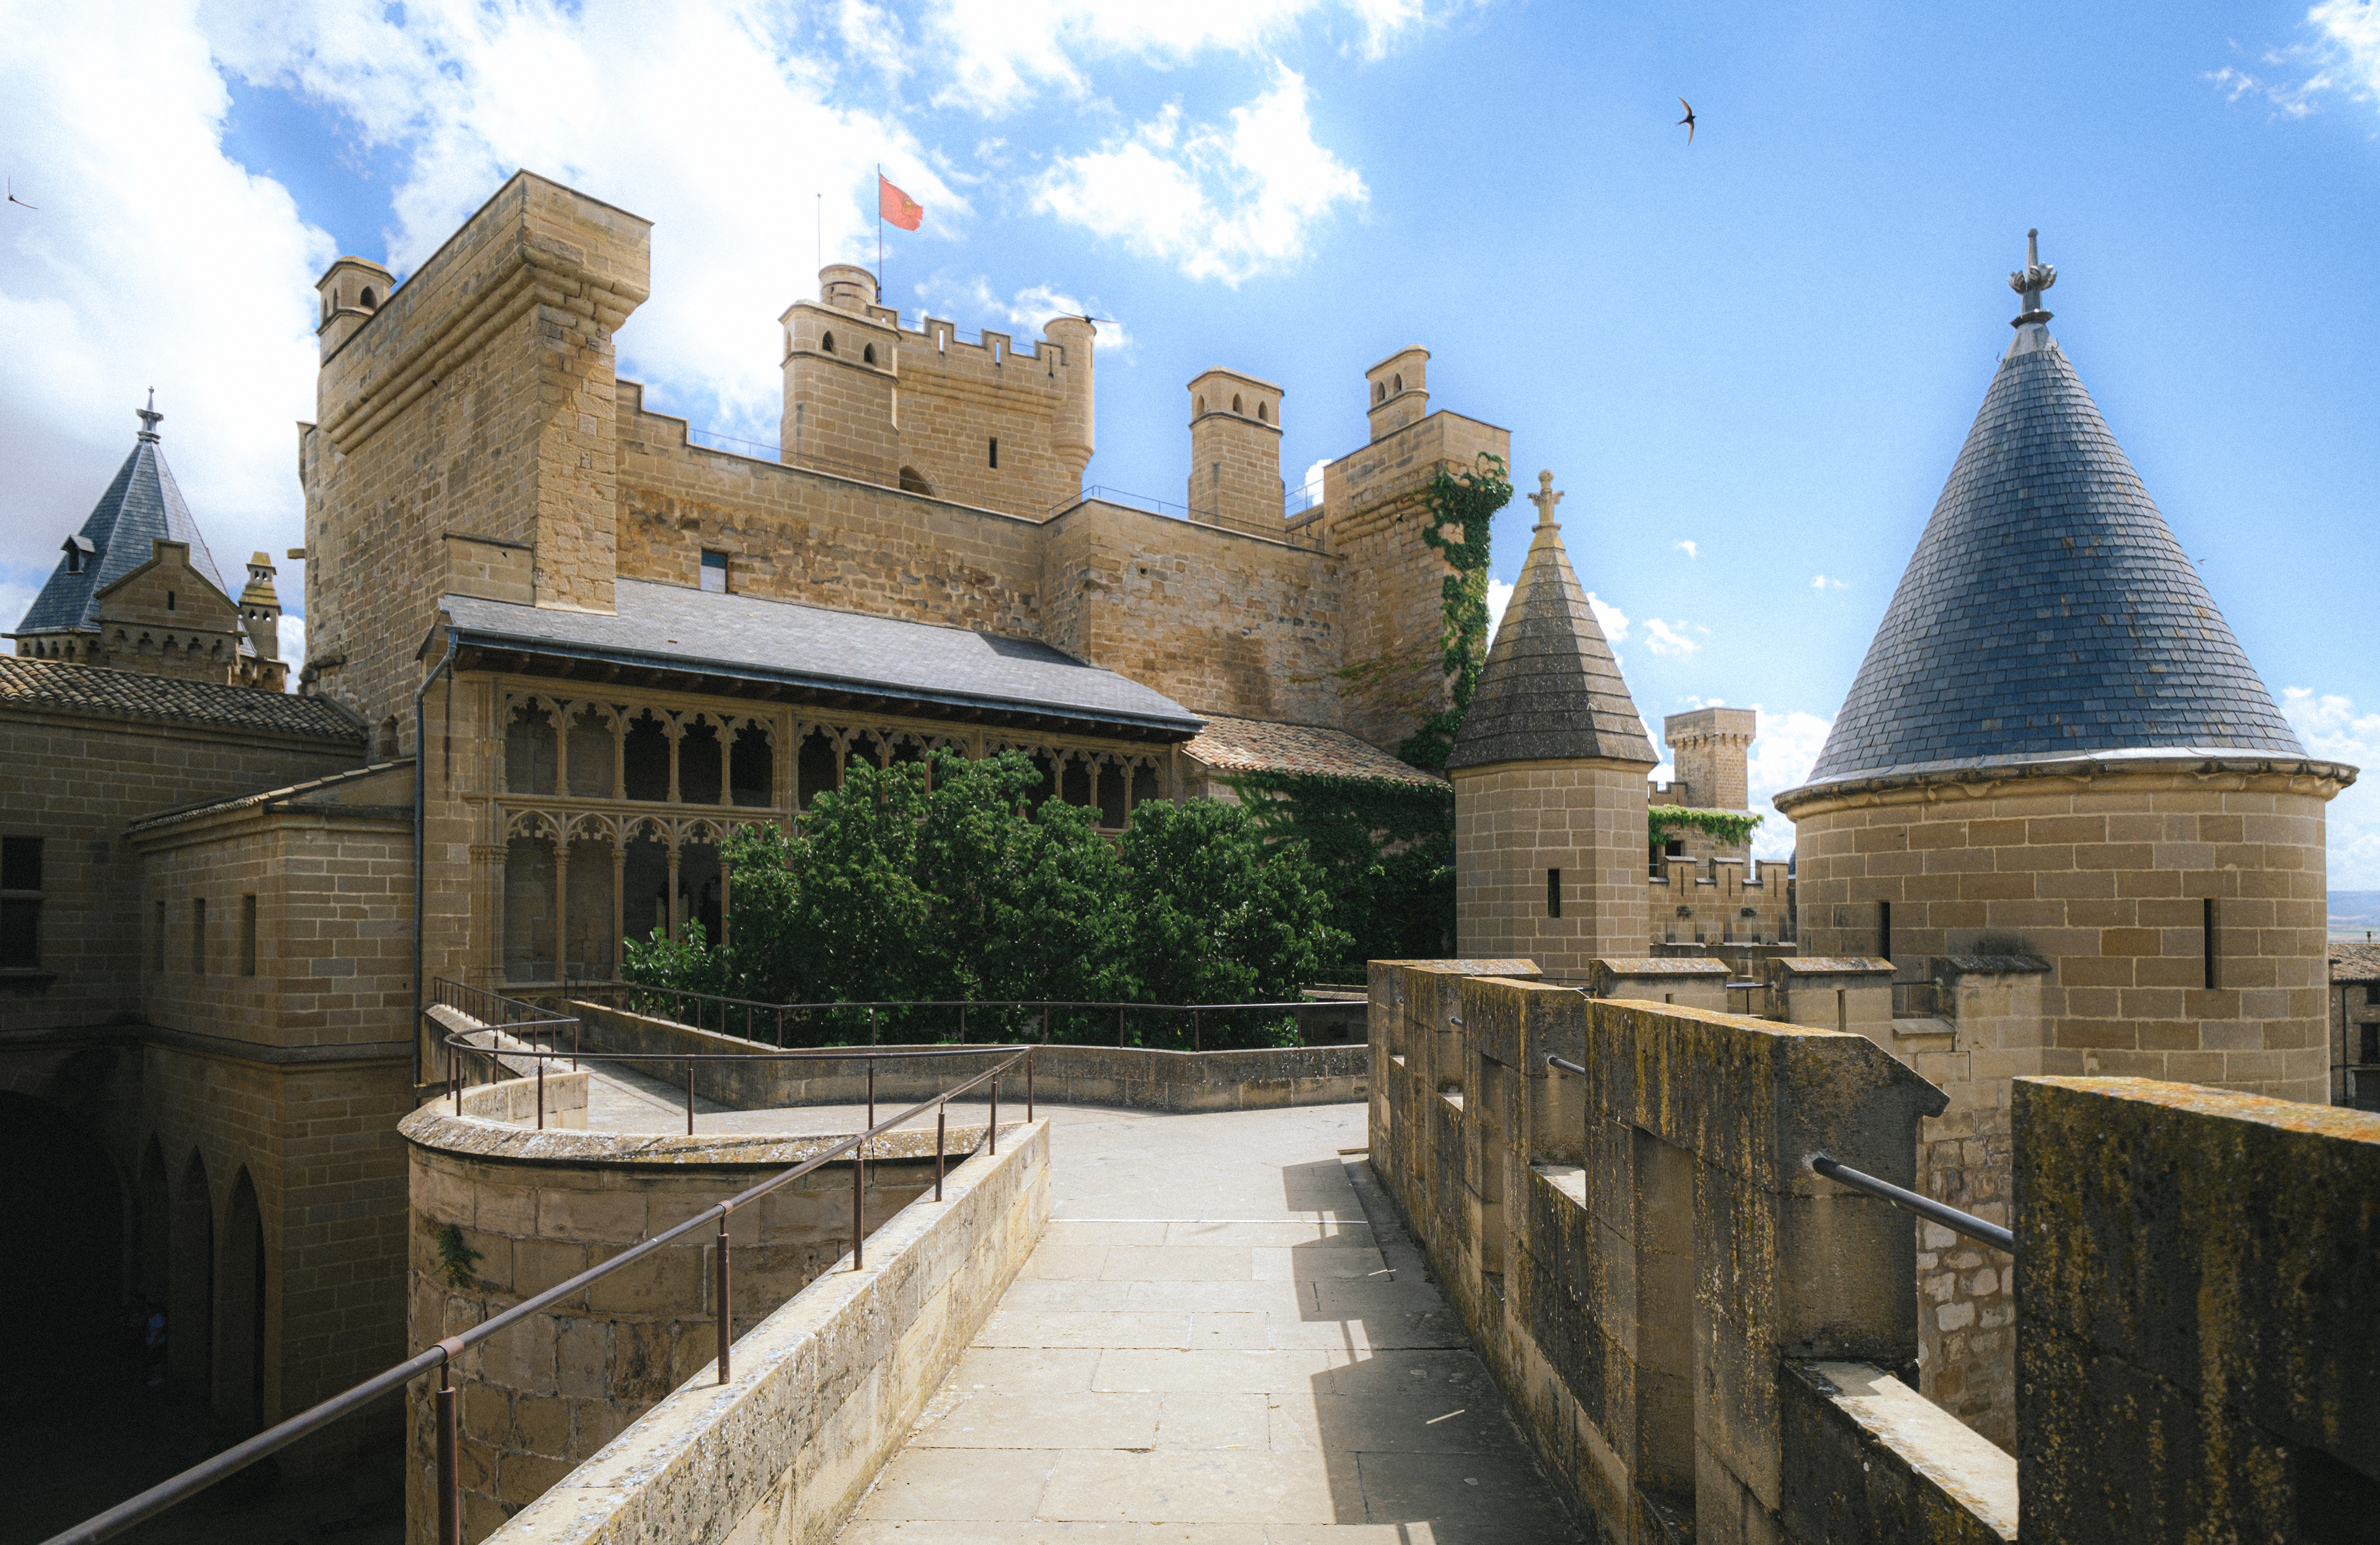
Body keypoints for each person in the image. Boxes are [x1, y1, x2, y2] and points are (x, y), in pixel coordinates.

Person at [144, 1305, 167, 1385]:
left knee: (157, 1361)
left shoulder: (159, 1318)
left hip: (158, 1343)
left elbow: (159, 1333)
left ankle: (159, 1377)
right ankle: (155, 1377)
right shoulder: (149, 1319)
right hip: (151, 1343)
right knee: (153, 1361)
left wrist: (153, 1344)